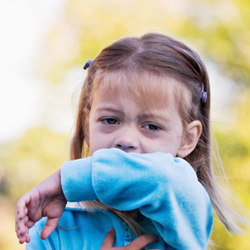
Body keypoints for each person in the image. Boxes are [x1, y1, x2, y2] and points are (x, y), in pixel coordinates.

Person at [15, 33, 246, 250]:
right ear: (87, 125)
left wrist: (66, 180)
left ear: (187, 139)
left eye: (151, 126)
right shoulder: (54, 227)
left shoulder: (183, 202)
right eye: (110, 120)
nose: (125, 139)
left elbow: (163, 178)